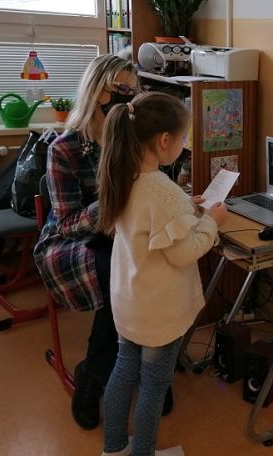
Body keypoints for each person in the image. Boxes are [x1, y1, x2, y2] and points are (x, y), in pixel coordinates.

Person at [34, 54, 164, 431]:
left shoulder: (134, 142)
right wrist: (112, 203)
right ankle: (93, 375)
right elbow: (68, 223)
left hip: (124, 233)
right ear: (97, 91)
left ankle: (147, 367)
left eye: (132, 92)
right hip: (75, 241)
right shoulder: (65, 148)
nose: (127, 99)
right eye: (119, 90)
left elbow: (152, 193)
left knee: (161, 266)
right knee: (120, 276)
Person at [97, 92, 227, 456]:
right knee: (154, 386)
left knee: (124, 370)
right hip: (159, 311)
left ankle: (114, 449)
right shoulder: (163, 191)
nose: (184, 145)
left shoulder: (122, 176)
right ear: (164, 140)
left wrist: (186, 207)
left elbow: (150, 220)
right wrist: (212, 222)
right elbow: (185, 251)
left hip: (130, 302)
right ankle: (144, 452)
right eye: (183, 138)